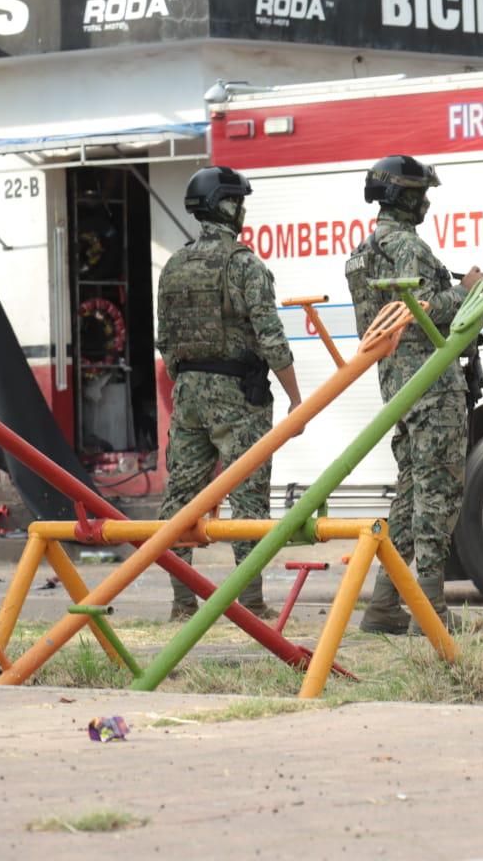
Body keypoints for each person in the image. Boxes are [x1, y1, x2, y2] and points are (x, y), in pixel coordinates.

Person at [344, 155, 483, 634]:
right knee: (436, 497)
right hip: (432, 385)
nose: (425, 201)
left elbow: (377, 325)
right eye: (420, 193)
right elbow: (423, 311)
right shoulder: (409, 248)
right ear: (402, 196)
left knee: (409, 499)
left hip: (398, 388)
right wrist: (467, 291)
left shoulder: (362, 253)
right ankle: (431, 613)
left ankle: (384, 607)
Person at [157, 165, 302, 622]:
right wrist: (298, 400)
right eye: (239, 201)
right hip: (239, 397)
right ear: (226, 205)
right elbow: (271, 340)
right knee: (249, 501)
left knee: (181, 501)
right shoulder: (244, 265)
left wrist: (189, 383)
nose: (243, 209)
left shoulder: (174, 266)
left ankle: (182, 604)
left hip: (188, 396)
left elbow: (166, 343)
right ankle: (251, 602)